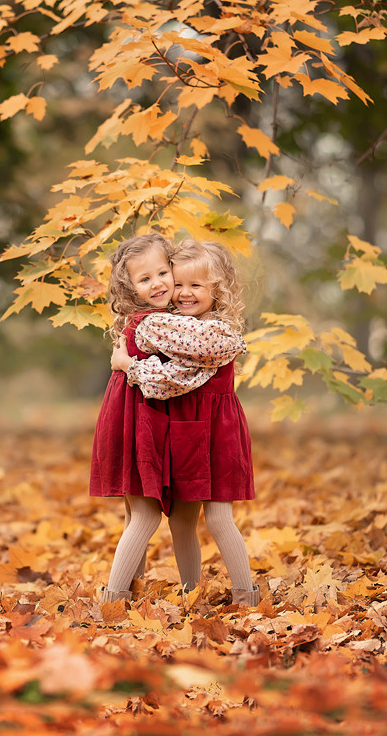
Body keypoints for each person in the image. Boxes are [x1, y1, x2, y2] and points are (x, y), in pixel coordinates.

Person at [90, 233, 246, 605]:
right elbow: (177, 376)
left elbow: (201, 351)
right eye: (146, 279)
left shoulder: (175, 322)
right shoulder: (157, 324)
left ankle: (173, 595)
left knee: (174, 520)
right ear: (129, 286)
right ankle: (116, 599)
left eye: (165, 275)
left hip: (175, 427)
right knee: (144, 515)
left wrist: (127, 364)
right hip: (144, 421)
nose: (164, 286)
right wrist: (130, 366)